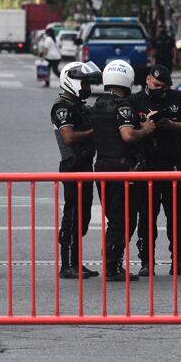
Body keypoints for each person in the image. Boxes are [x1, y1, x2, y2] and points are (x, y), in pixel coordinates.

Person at [89, 59, 156, 282]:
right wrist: (145, 129)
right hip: (121, 169)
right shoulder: (123, 106)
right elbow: (127, 135)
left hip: (102, 167)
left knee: (115, 217)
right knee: (124, 220)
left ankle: (112, 260)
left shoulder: (97, 104)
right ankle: (112, 264)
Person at [131, 65, 181, 276]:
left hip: (174, 167)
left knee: (179, 218)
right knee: (146, 218)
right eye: (156, 84)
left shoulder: (178, 98)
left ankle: (179, 261)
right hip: (146, 168)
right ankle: (146, 262)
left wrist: (173, 125)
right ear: (148, 79)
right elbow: (126, 131)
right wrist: (144, 127)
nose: (160, 89)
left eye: (164, 86)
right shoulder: (135, 101)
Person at [50, 61, 102, 279]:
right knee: (72, 216)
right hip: (72, 165)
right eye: (85, 83)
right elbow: (69, 137)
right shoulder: (62, 107)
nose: (88, 89)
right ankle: (67, 265)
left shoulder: (79, 106)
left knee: (83, 217)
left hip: (85, 165)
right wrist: (94, 131)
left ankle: (76, 262)